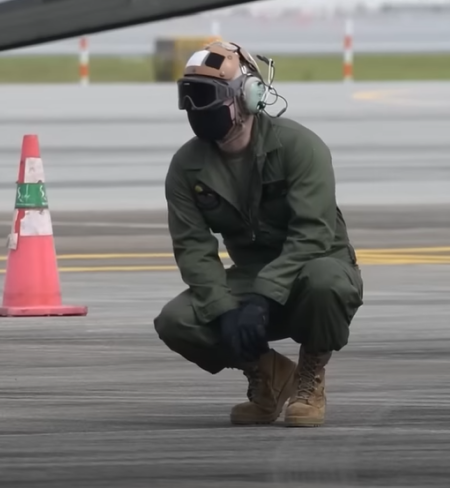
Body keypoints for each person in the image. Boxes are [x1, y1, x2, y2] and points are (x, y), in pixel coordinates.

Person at [153, 41, 364, 428]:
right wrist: (224, 309)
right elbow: (193, 249)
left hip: (315, 264)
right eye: (190, 96)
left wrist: (265, 295)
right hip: (250, 274)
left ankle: (309, 376)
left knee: (325, 282)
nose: (196, 109)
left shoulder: (300, 147)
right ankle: (267, 374)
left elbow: (313, 235)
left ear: (248, 96)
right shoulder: (187, 167)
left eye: (208, 96)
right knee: (176, 320)